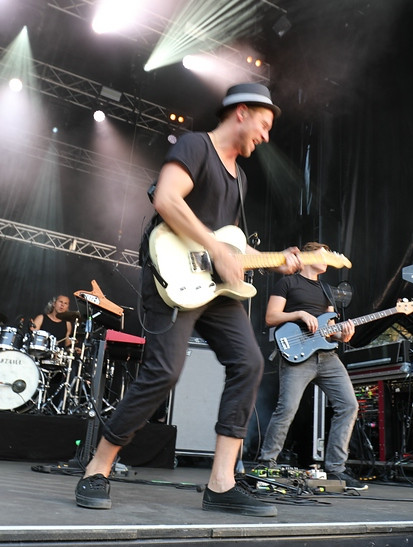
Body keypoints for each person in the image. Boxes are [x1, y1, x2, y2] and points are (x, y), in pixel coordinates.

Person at [74, 82, 301, 517]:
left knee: (249, 362)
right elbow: (166, 198)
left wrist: (275, 263)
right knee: (163, 373)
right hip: (171, 274)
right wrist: (216, 251)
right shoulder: (197, 146)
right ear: (241, 113)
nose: (266, 136)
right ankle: (97, 468)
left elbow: (226, 244)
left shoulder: (242, 179)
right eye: (264, 124)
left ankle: (221, 482)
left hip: (213, 288)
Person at [256, 242, 366, 491]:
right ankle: (266, 462)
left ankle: (337, 468)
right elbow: (271, 317)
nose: (327, 259)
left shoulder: (326, 289)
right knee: (287, 408)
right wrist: (299, 315)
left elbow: (329, 328)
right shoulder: (287, 283)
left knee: (349, 405)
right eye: (323, 254)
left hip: (327, 357)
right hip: (297, 355)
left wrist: (343, 335)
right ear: (307, 257)